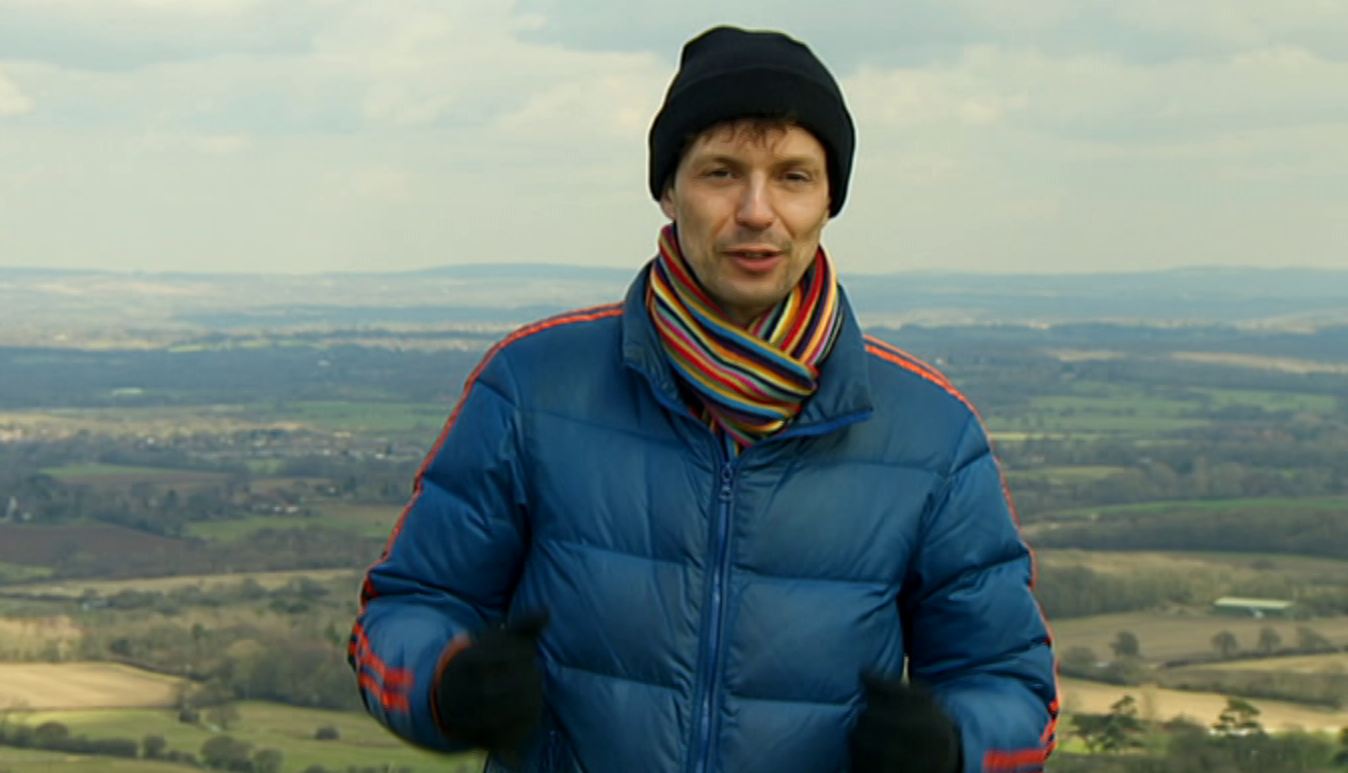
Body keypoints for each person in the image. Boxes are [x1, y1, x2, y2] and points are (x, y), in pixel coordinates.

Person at [349, 24, 1057, 773]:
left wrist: (954, 747)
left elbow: (1008, 687)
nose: (756, 210)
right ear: (668, 189)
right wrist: (445, 684)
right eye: (721, 173)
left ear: (829, 201)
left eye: (793, 176)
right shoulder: (533, 387)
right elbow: (409, 607)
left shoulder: (930, 433)